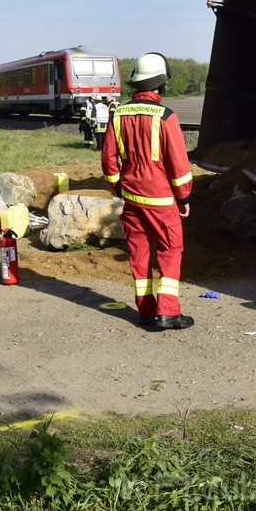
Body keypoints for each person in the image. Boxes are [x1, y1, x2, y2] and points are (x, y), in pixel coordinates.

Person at [101, 53, 194, 330]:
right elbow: (178, 164)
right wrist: (184, 196)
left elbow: (108, 161)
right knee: (170, 250)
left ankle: (145, 310)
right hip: (163, 200)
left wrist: (120, 186)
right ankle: (168, 312)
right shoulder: (166, 116)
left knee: (138, 253)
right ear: (160, 85)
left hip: (131, 199)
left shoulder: (117, 114)